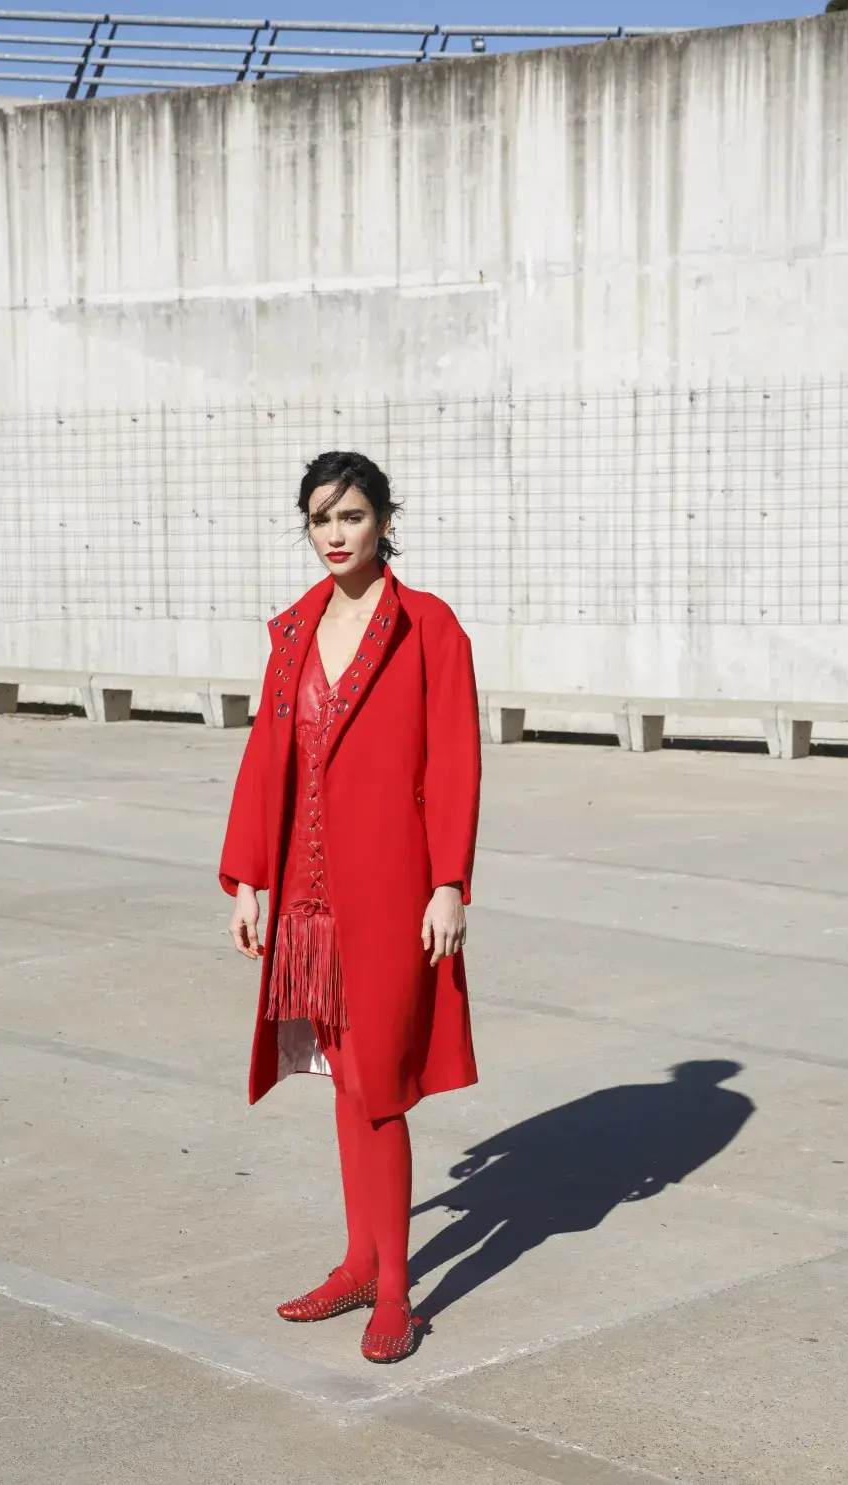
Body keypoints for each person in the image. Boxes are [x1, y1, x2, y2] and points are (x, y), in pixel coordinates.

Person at [219, 451, 481, 1364]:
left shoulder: (428, 627)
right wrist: (250, 878)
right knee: (340, 1077)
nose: (336, 534)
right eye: (320, 519)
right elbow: (265, 758)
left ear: (384, 521)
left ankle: (397, 1294)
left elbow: (453, 758)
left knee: (380, 1086)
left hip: (394, 890)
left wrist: (449, 880)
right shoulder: (293, 629)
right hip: (304, 892)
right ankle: (359, 1259)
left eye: (353, 516)